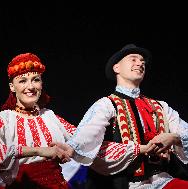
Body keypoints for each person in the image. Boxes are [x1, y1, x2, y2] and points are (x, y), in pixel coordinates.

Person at [52, 44, 188, 189]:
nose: (140, 63)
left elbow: (184, 130)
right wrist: (71, 148)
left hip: (163, 180)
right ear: (116, 68)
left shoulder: (161, 106)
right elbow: (89, 133)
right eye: (133, 59)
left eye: (142, 61)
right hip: (126, 184)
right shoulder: (106, 104)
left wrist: (174, 138)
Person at [0, 52, 79, 188]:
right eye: (22, 81)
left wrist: (71, 149)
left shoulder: (50, 116)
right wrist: (39, 150)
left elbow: (82, 139)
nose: (31, 87)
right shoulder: (1, 119)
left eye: (36, 79)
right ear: (12, 87)